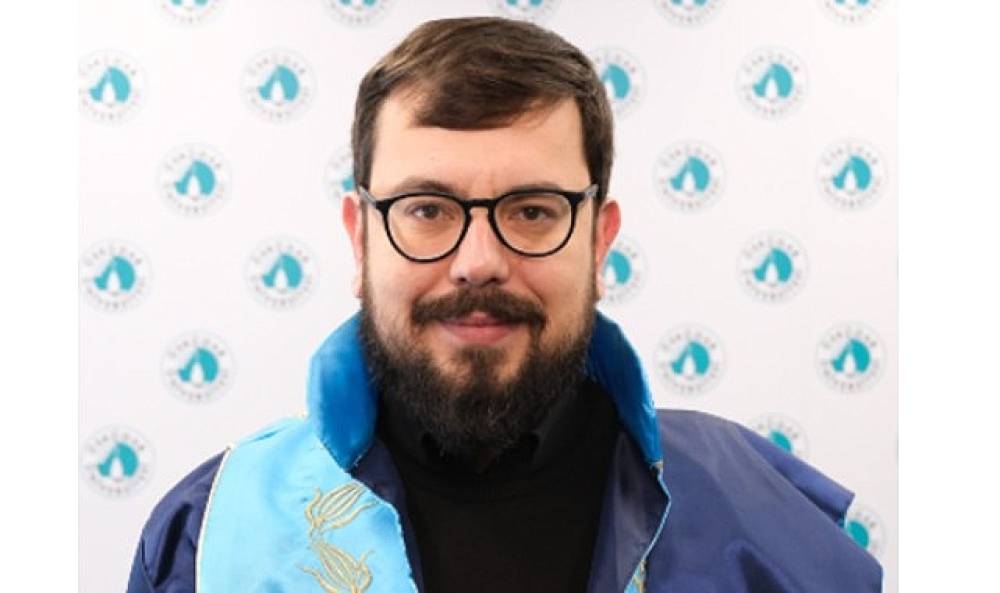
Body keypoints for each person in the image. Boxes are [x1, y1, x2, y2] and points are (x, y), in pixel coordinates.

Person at [126, 17, 882, 593]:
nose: (478, 262)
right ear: (360, 240)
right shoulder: (212, 534)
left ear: (599, 240)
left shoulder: (758, 519)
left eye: (532, 210)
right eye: (427, 210)